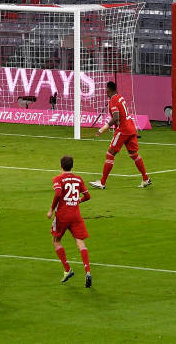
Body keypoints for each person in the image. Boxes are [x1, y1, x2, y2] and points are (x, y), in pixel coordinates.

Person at [90, 81, 151, 189]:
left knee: (110, 153)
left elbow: (116, 117)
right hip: (131, 128)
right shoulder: (120, 97)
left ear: (108, 89)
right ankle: (145, 178)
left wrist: (103, 128)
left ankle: (102, 183)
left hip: (123, 130)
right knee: (133, 154)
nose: (105, 92)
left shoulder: (113, 100)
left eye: (106, 89)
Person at [48, 156, 92, 288]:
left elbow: (58, 193)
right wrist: (78, 200)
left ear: (61, 166)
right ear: (72, 166)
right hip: (76, 215)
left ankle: (67, 269)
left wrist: (51, 210)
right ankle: (87, 271)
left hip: (62, 215)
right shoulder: (79, 179)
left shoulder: (58, 179)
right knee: (80, 242)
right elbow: (87, 196)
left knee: (56, 240)